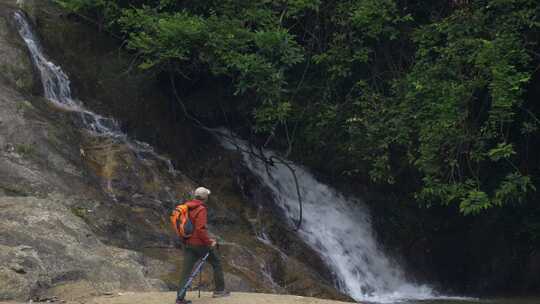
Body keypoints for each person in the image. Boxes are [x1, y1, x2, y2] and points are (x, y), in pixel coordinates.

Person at [175, 187, 230, 304]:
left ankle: (180, 298)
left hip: (187, 242)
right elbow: (200, 230)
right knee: (216, 263)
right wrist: (210, 242)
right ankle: (220, 290)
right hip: (200, 244)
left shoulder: (185, 207)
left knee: (186, 271)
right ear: (205, 198)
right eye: (207, 197)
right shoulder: (201, 209)